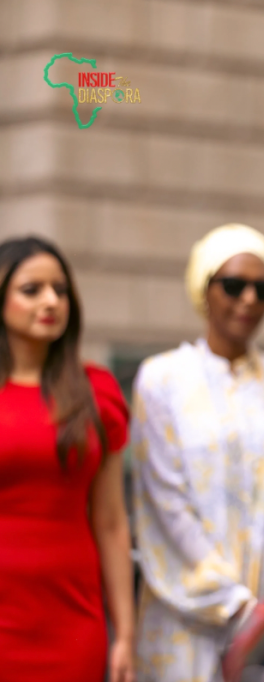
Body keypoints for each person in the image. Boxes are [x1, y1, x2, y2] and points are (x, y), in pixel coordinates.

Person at [132, 224, 264, 682]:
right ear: (204, 290)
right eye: (233, 285)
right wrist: (236, 605)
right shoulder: (162, 380)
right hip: (188, 624)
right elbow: (164, 504)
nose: (248, 301)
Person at [0, 237, 135, 682]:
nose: (51, 301)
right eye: (31, 289)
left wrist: (126, 636)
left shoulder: (96, 391)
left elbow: (112, 522)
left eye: (60, 289)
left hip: (73, 619)